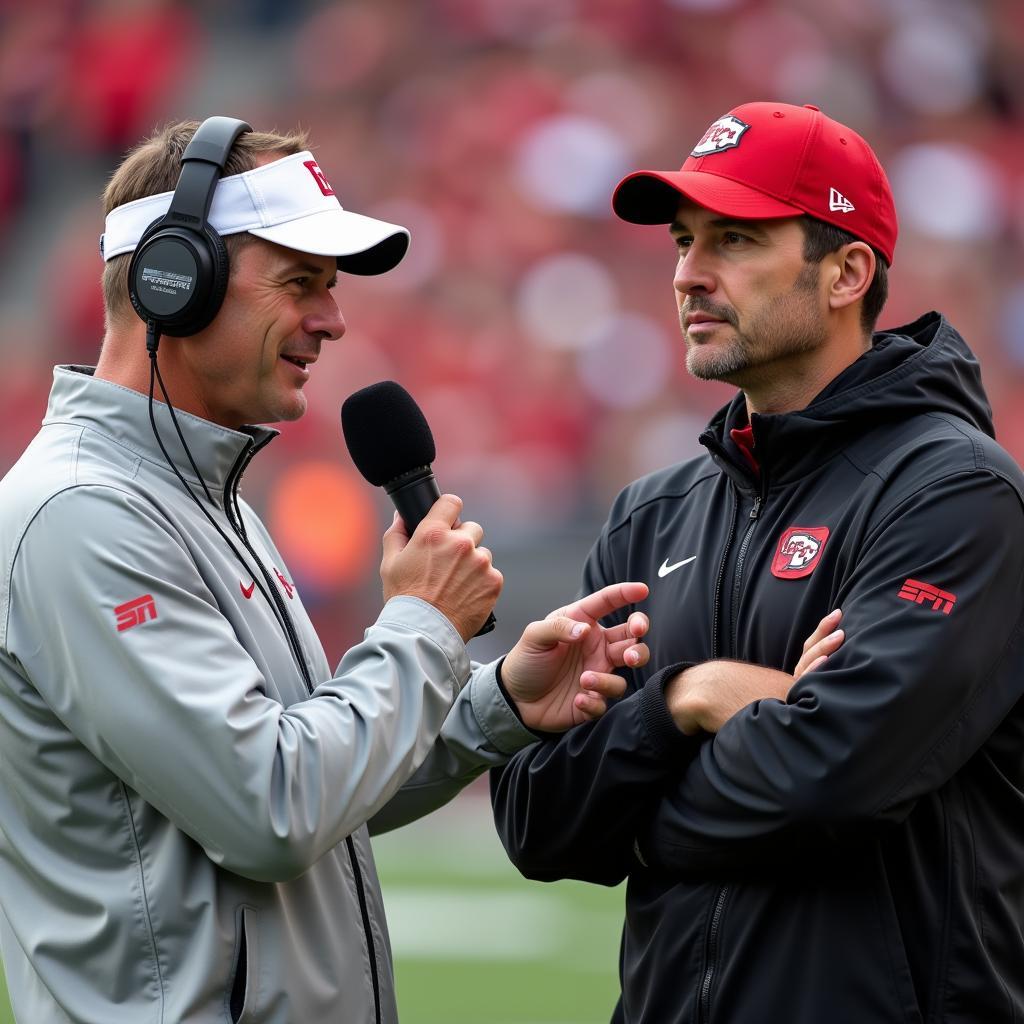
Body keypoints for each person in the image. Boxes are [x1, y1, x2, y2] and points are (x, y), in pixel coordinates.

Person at [0, 117, 653, 1024]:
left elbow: (325, 786)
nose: (334, 320)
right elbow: (269, 810)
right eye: (301, 282)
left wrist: (495, 704)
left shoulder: (200, 498)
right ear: (173, 279)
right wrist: (422, 624)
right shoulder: (84, 517)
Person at [491, 101, 1024, 1023]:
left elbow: (830, 783)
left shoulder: (955, 494)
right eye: (682, 242)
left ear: (846, 272)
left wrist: (638, 828)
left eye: (734, 241)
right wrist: (689, 697)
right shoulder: (652, 514)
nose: (690, 275)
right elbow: (538, 818)